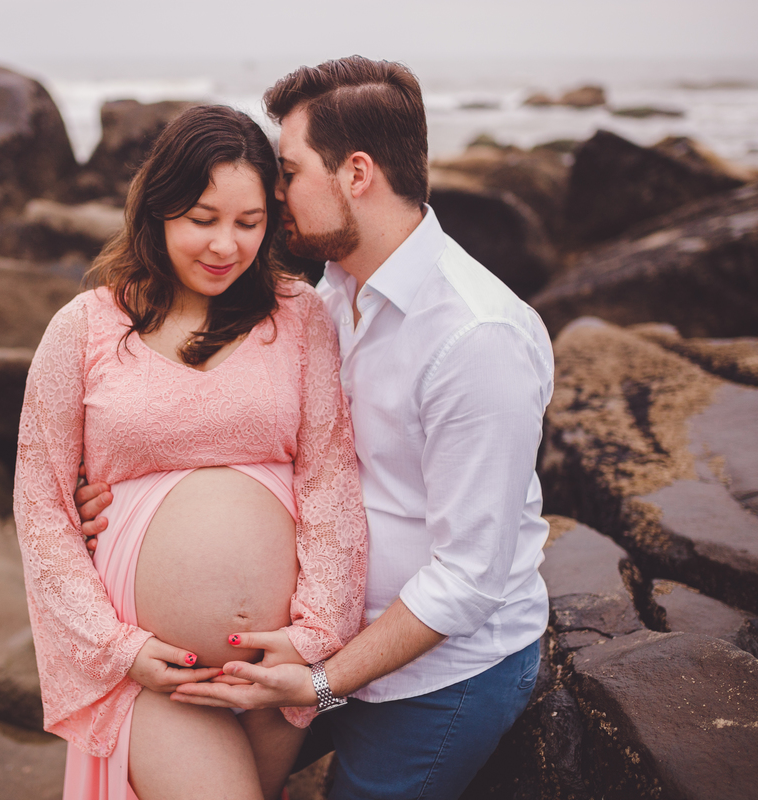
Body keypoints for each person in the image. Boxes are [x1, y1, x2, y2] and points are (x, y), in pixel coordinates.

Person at [80, 57, 554, 798]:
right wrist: (117, 497)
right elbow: (236, 427)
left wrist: (319, 683)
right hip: (313, 650)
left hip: (431, 678)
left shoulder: (475, 339)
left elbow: (470, 578)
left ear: (356, 174)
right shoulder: (323, 298)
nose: (276, 192)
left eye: (290, 170)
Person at [13, 104, 368, 800]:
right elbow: (41, 505)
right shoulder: (84, 328)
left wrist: (314, 634)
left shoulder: (299, 315)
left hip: (278, 673)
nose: (224, 246)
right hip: (154, 673)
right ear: (158, 209)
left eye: (248, 222)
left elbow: (329, 477)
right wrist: (121, 650)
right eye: (202, 219)